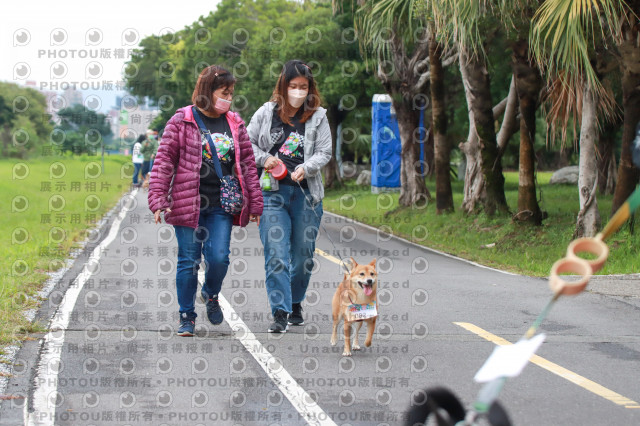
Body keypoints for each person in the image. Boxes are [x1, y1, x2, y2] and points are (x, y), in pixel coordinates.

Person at [148, 65, 263, 336]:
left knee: (219, 258)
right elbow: (164, 161)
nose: (229, 98)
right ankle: (186, 316)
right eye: (224, 93)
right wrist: (158, 198)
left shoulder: (234, 123)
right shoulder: (181, 120)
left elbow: (247, 164)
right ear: (207, 91)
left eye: (232, 94)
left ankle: (211, 294)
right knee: (188, 260)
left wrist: (256, 204)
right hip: (187, 202)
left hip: (221, 203)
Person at [247, 60, 332, 333]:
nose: (298, 91)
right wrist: (266, 158)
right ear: (283, 87)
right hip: (271, 193)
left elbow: (325, 152)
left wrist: (305, 169)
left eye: (303, 87)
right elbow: (245, 144)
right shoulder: (265, 112)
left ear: (310, 89)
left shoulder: (318, 116)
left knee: (303, 257)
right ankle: (280, 311)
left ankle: (295, 301)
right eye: (293, 86)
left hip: (306, 195)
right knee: (276, 255)